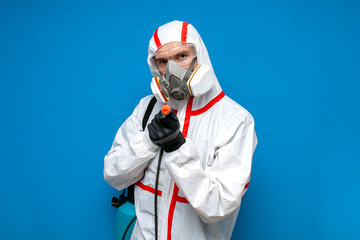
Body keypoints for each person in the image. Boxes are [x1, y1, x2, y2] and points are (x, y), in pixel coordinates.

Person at [104, 20, 258, 240]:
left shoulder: (234, 120)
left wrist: (177, 148)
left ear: (200, 55)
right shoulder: (146, 109)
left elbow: (218, 206)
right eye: (163, 61)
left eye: (182, 56)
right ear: (155, 67)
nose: (173, 69)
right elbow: (113, 174)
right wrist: (147, 142)